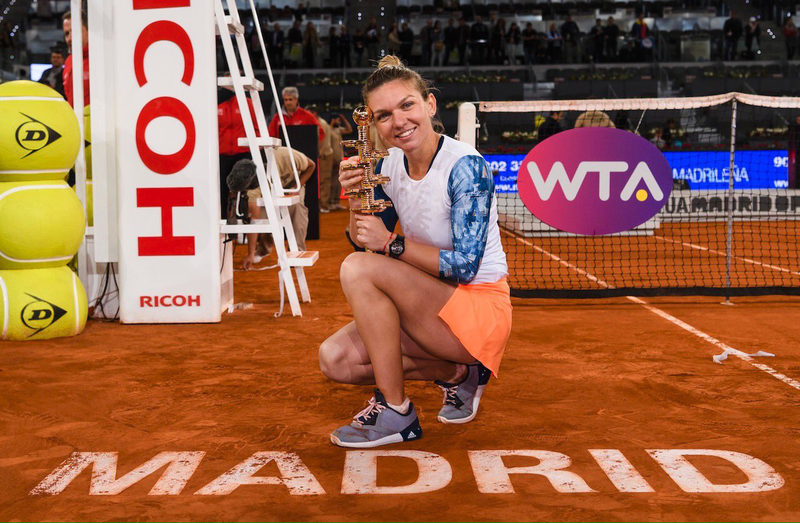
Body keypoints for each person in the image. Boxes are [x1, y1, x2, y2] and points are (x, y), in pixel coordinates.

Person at [319, 55, 511, 448]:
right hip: (430, 302)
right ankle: (460, 374)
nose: (399, 121)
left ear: (430, 105)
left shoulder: (465, 166)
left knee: (358, 269)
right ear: (374, 124)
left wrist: (390, 244)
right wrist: (357, 196)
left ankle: (396, 411)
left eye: (407, 105)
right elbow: (364, 241)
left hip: (478, 310)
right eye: (384, 115)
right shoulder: (388, 166)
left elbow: (465, 266)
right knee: (335, 359)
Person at [243, 147, 316, 270]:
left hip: (292, 184)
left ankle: (297, 251)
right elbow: (255, 219)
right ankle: (263, 249)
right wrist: (250, 254)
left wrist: (297, 187)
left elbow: (311, 166)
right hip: (269, 193)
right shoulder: (253, 181)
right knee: (263, 215)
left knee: (297, 210)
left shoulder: (288, 156)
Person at [218, 85, 258, 219]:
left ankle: (243, 223)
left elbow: (256, 126)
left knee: (243, 191)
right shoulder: (216, 102)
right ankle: (222, 222)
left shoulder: (246, 103)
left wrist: (256, 148)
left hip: (242, 152)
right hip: (222, 154)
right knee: (221, 192)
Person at [309, 106, 334, 213]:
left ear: (315, 113)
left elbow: (321, 142)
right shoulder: (319, 122)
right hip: (323, 154)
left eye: (309, 113)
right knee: (323, 181)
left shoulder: (321, 124)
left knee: (325, 180)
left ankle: (324, 205)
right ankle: (323, 204)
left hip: (324, 154)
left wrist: (318, 154)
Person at [62, 10, 90, 107]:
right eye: (66, 33)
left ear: (87, 30)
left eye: (74, 31)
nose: (69, 38)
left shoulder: (98, 59)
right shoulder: (69, 61)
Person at [328, 113, 353, 210]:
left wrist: (344, 119)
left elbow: (349, 130)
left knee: (338, 182)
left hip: (339, 159)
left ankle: (336, 201)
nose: (339, 122)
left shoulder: (338, 129)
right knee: (330, 182)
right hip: (331, 159)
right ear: (333, 120)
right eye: (338, 120)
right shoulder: (328, 130)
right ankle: (330, 202)